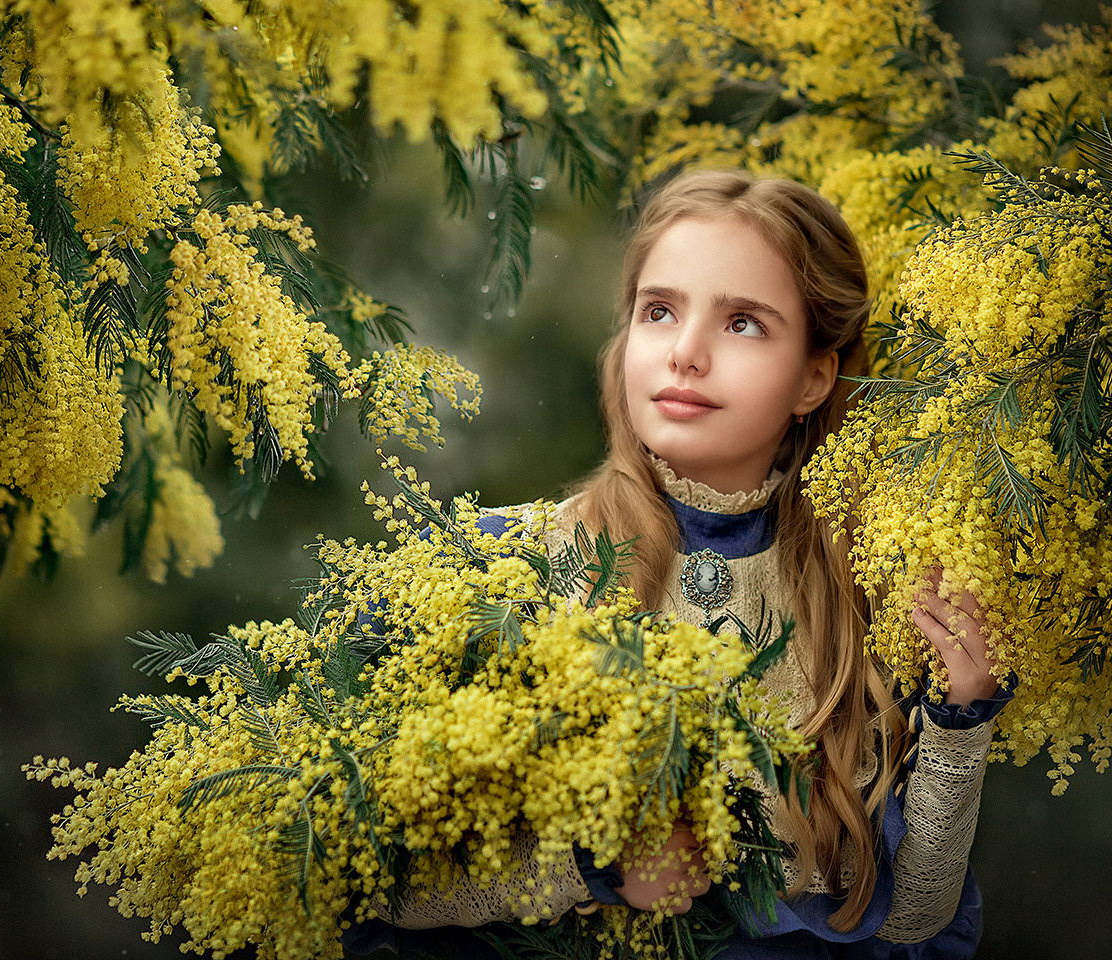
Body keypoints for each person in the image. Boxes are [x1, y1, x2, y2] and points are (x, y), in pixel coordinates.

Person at [343, 170, 1012, 958]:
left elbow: (911, 922)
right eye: (659, 311)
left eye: (744, 324)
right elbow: (371, 880)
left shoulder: (874, 598)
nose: (686, 354)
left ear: (814, 375)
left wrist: (961, 724)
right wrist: (593, 870)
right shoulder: (502, 572)